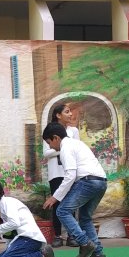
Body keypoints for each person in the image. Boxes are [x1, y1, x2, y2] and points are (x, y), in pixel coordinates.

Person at [41, 122, 107, 257]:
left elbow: (70, 175)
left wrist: (54, 197)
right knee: (85, 218)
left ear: (56, 138)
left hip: (87, 181)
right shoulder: (77, 144)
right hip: (101, 182)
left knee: (62, 211)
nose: (50, 147)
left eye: (49, 142)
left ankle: (84, 243)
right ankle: (98, 254)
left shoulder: (65, 148)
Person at [0, 179, 57, 257]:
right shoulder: (3, 206)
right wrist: (10, 250)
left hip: (30, 239)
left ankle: (41, 256)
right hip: (22, 240)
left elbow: (14, 223)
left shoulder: (7, 202)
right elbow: (11, 234)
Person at [43, 102, 81, 247]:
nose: (70, 114)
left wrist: (63, 149)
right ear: (58, 115)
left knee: (72, 203)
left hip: (70, 171)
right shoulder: (49, 130)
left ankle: (72, 235)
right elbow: (46, 153)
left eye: (70, 111)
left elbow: (76, 149)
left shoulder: (74, 131)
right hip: (56, 173)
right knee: (56, 203)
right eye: (67, 111)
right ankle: (58, 236)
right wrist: (62, 149)